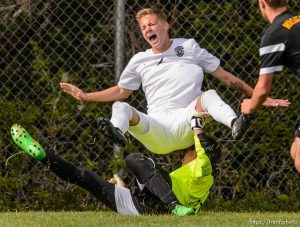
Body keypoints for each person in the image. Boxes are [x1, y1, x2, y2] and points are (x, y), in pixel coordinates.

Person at [60, 8, 288, 154]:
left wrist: (261, 97)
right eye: (143, 27)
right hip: (156, 128)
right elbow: (121, 91)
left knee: (209, 95)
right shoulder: (139, 60)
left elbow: (225, 76)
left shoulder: (189, 47)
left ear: (165, 25)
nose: (147, 29)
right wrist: (85, 96)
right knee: (120, 106)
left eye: (151, 24)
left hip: (188, 120)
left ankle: (235, 124)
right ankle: (118, 133)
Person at [9, 113, 220, 215]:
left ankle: (174, 206)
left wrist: (196, 126)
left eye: (188, 152)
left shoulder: (205, 172)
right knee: (85, 177)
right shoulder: (192, 178)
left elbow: (205, 152)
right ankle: (42, 154)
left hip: (162, 205)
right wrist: (124, 189)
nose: (183, 157)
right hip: (139, 208)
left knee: (134, 159)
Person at [240, 0, 299, 172]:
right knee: (296, 152)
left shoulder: (274, 34)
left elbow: (263, 90)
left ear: (262, 3)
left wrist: (249, 107)